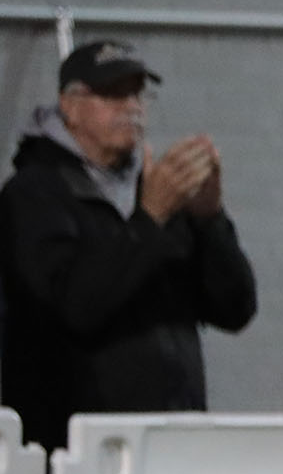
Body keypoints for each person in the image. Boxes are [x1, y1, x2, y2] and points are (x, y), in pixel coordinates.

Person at [1, 40, 257, 451]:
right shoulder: (34, 195)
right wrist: (149, 221)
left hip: (170, 447)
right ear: (71, 106)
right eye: (114, 93)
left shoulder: (156, 189)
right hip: (79, 456)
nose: (132, 106)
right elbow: (75, 307)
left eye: (138, 93)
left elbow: (235, 308)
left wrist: (209, 219)